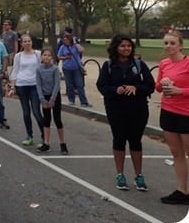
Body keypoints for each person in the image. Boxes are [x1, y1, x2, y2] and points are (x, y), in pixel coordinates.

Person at [96, 34, 154, 192]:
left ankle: (139, 175)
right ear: (116, 47)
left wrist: (137, 88)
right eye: (122, 46)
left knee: (136, 141)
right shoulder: (108, 66)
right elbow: (101, 86)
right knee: (119, 140)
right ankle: (120, 174)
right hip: (116, 109)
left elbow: (150, 85)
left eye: (129, 46)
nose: (126, 48)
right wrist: (115, 89)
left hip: (138, 108)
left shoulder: (139, 65)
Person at [155, 30, 189, 204]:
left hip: (186, 113)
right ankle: (182, 190)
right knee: (176, 153)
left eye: (172, 43)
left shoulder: (188, 63)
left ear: (180, 45)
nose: (168, 46)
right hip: (168, 111)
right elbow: (158, 88)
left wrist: (180, 91)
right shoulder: (163, 64)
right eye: (166, 43)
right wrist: (162, 84)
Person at [9, 33, 43, 146]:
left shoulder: (37, 54)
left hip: (34, 85)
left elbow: (42, 69)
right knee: (26, 112)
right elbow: (15, 71)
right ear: (21, 43)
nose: (27, 43)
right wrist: (12, 87)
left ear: (31, 42)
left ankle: (44, 135)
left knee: (36, 111)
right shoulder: (18, 56)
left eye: (29, 41)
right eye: (25, 41)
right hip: (21, 85)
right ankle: (29, 135)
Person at [35, 48, 68, 154]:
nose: (47, 57)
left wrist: (52, 99)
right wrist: (42, 99)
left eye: (49, 55)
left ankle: (62, 143)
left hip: (54, 96)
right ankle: (46, 143)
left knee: (57, 119)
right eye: (45, 55)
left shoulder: (54, 69)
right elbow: (38, 84)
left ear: (52, 58)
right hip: (44, 96)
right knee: (46, 120)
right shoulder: (39, 69)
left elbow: (57, 84)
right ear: (41, 57)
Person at [57, 33, 91, 107]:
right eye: (64, 39)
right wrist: (65, 57)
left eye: (66, 39)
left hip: (76, 68)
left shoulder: (75, 46)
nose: (65, 41)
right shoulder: (62, 47)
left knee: (79, 85)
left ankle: (83, 101)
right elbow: (59, 56)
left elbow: (82, 50)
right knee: (69, 85)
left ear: (70, 39)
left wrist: (75, 44)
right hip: (67, 68)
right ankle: (71, 100)